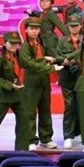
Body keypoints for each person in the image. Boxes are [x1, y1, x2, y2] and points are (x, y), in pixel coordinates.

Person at [20, 16, 64, 151]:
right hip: (32, 83)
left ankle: (46, 138)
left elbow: (38, 58)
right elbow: (27, 63)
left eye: (37, 28)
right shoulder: (25, 46)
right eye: (31, 28)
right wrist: (49, 67)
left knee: (45, 111)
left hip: (44, 82)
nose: (34, 31)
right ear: (26, 30)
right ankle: (30, 139)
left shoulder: (40, 42)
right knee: (30, 112)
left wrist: (47, 58)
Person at [0, 32, 29, 151]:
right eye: (11, 43)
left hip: (18, 95)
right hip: (5, 95)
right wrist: (10, 85)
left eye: (16, 43)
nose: (14, 45)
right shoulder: (0, 59)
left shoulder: (18, 57)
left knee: (24, 121)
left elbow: (30, 63)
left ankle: (22, 150)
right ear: (4, 43)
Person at [56, 14, 83, 149]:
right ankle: (67, 136)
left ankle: (79, 132)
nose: (74, 28)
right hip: (66, 77)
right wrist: (65, 60)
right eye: (71, 26)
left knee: (81, 106)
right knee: (69, 106)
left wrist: (72, 58)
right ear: (67, 27)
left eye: (76, 26)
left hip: (81, 77)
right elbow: (58, 56)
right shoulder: (62, 41)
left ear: (81, 26)